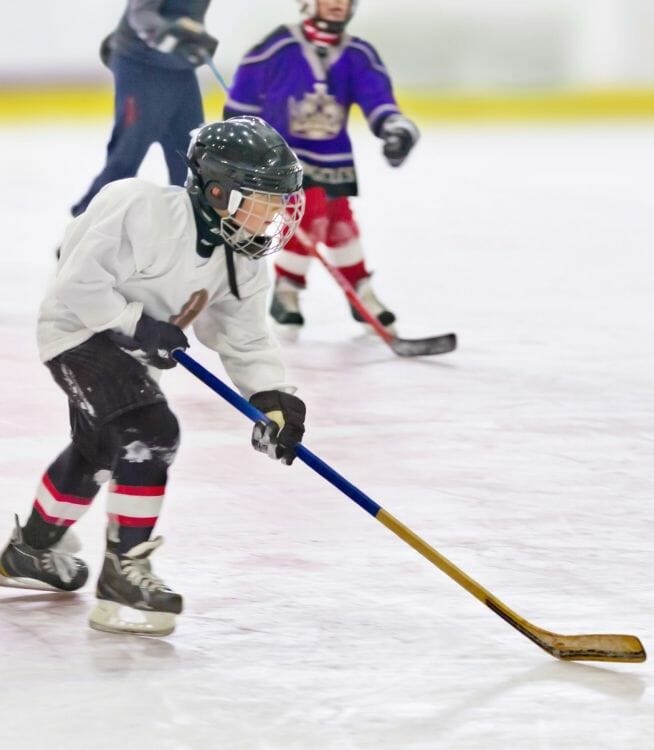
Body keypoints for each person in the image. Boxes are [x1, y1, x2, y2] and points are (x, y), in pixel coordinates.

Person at [0, 117, 308, 637]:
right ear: (219, 191)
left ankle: (28, 551)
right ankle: (123, 574)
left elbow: (244, 338)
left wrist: (273, 395)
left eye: (282, 201)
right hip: (79, 332)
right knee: (150, 432)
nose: (278, 213)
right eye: (265, 200)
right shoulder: (140, 208)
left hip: (134, 354)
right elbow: (77, 284)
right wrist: (136, 323)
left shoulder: (244, 261)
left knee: (99, 449)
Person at [224, 0, 420, 331]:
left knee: (340, 220)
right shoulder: (279, 46)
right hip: (285, 154)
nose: (337, 4)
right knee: (311, 212)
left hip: (333, 156)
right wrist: (242, 137)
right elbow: (243, 96)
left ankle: (359, 288)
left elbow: (378, 98)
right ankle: (289, 287)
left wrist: (394, 128)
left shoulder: (358, 54)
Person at [70, 0, 219, 218]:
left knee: (191, 158)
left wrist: (193, 40)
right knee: (126, 155)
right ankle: (85, 225)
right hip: (141, 67)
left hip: (178, 69)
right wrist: (168, 36)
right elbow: (140, 14)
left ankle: (193, 230)